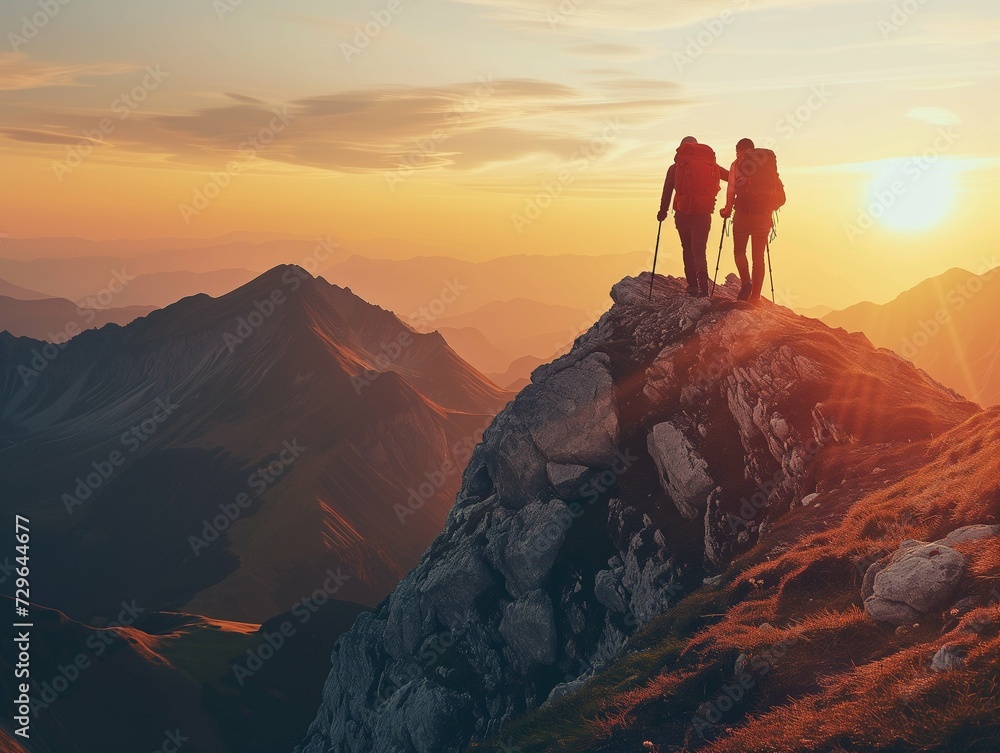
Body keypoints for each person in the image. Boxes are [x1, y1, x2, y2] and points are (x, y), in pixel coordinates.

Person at [657, 137, 729, 297]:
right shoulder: (710, 166)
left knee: (687, 249)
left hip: (682, 215)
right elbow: (731, 177)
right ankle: (704, 287)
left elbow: (667, 192)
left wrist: (663, 212)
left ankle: (693, 286)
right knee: (699, 250)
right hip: (703, 214)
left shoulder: (675, 168)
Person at [720, 138, 783, 304]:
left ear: (739, 151)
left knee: (739, 251)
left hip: (742, 215)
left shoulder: (737, 164)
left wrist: (726, 211)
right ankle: (755, 297)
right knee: (758, 257)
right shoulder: (767, 164)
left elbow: (730, 191)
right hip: (763, 216)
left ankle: (746, 282)